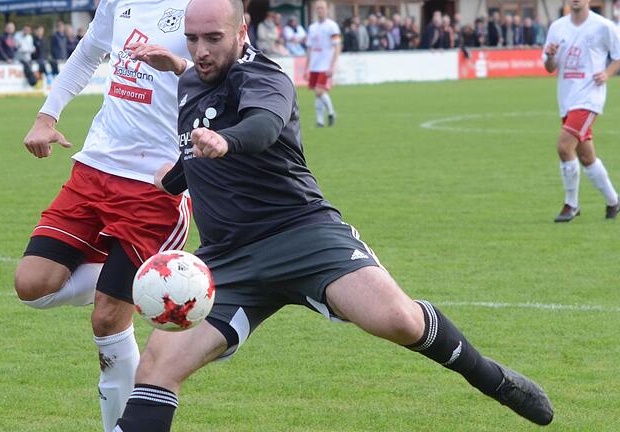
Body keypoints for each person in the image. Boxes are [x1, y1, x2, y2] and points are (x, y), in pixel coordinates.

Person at [112, 1, 555, 430]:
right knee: (155, 367)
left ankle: (491, 378)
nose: (201, 49)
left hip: (303, 235)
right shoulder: (191, 81)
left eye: (213, 37)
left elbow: (262, 126)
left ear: (242, 31)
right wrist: (170, 180)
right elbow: (196, 155)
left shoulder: (265, 77)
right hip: (227, 260)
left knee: (399, 321)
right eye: (192, 39)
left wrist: (228, 141)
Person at [16, 0, 192, 430]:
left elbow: (234, 73)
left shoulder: (201, 6)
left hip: (156, 184)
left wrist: (181, 65)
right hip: (94, 167)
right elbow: (88, 50)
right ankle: (162, 279)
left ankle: (120, 426)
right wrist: (46, 116)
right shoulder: (117, 1)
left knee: (108, 316)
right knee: (32, 286)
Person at [543, 0, 620, 222]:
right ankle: (613, 200)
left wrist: (607, 73)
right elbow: (549, 67)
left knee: (564, 146)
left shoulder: (603, 26)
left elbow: (617, 56)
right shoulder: (557, 27)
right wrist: (549, 56)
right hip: (567, 98)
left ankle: (571, 204)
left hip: (589, 98)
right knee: (586, 156)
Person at [305, 0, 341, 127]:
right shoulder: (312, 28)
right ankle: (320, 121)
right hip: (314, 65)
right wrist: (306, 68)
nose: (320, 10)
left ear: (327, 9)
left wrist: (332, 65)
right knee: (317, 93)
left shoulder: (332, 26)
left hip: (325, 65)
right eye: (318, 8)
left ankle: (331, 113)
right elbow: (309, 49)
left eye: (322, 8)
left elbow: (337, 47)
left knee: (320, 91)